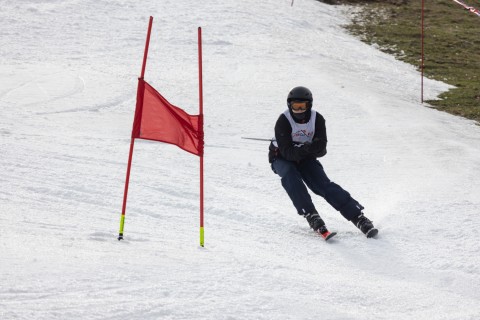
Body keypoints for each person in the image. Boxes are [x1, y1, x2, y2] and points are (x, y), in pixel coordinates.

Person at [268, 86, 378, 238]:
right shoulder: (283, 121)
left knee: (323, 185)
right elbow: (287, 152)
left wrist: (309, 149)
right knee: (290, 176)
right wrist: (307, 148)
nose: (299, 110)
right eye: (295, 106)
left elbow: (322, 149)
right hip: (281, 158)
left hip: (305, 158)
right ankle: (311, 214)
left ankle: (357, 217)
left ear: (309, 105)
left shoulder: (317, 119)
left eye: (302, 106)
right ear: (289, 105)